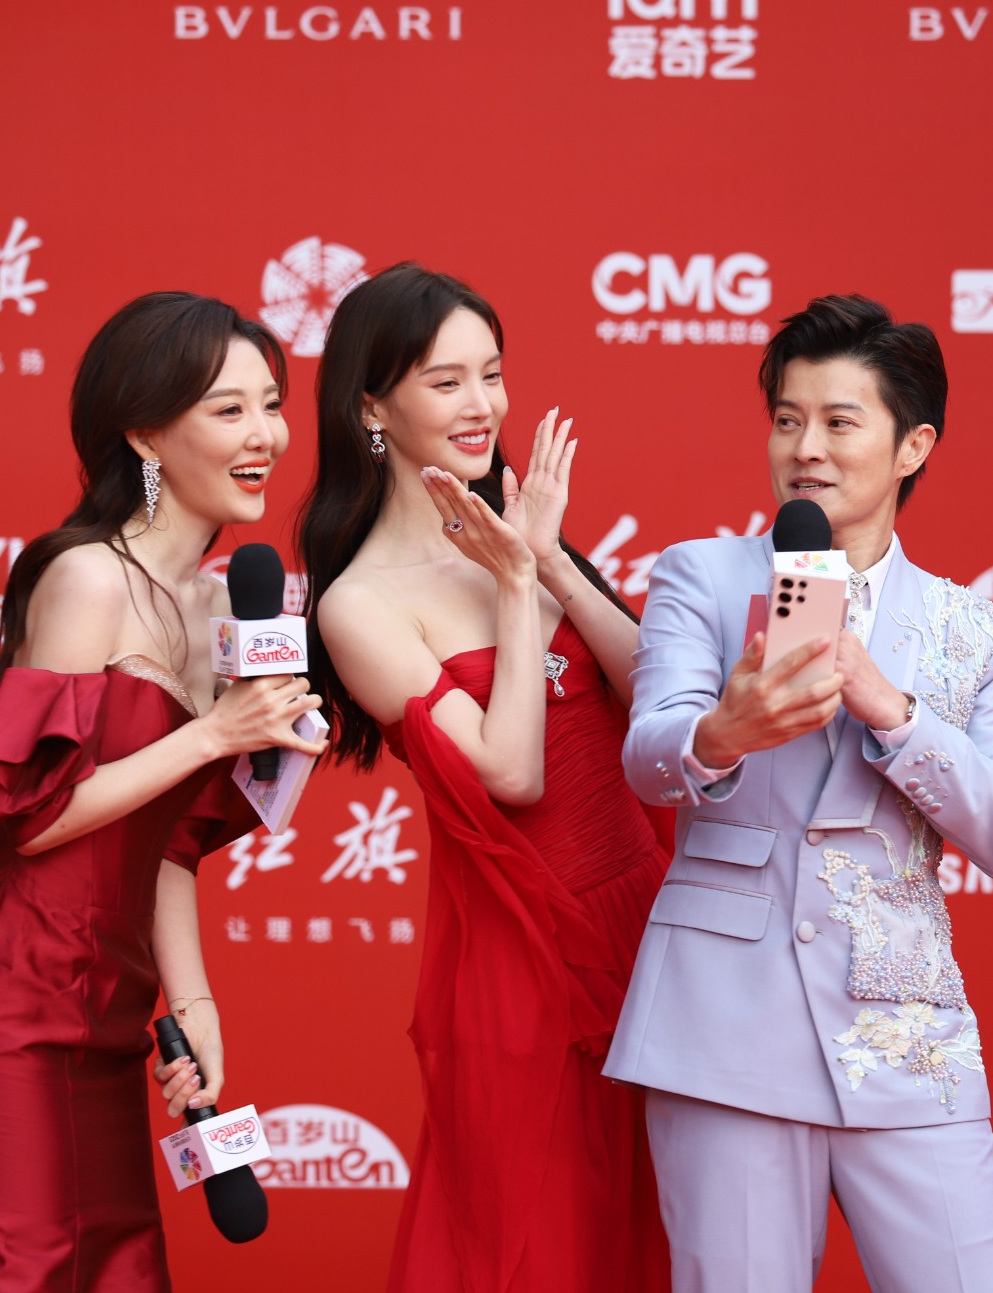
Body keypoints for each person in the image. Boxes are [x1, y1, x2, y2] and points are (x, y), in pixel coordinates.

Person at [604, 294, 993, 1292]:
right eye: (787, 419)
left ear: (911, 446)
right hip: (723, 1031)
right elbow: (649, 754)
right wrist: (726, 728)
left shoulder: (968, 626)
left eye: (839, 422)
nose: (805, 448)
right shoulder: (702, 577)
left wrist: (894, 713)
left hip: (905, 1037)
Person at [0, 292, 325, 1292]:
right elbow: (32, 812)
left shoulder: (221, 608)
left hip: (113, 1002)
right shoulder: (86, 578)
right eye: (227, 410)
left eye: (270, 405)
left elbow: (168, 842)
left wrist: (194, 1003)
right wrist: (215, 733)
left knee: (117, 1271)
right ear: (144, 433)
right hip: (11, 997)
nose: (264, 435)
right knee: (27, 1270)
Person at [298, 264, 670, 1291]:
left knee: (663, 1235)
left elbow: (659, 699)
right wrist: (514, 584)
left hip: (651, 924)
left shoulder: (524, 532)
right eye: (446, 381)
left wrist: (549, 564)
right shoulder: (359, 603)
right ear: (371, 408)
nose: (482, 405)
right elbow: (511, 771)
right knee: (542, 1243)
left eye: (492, 375)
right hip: (523, 956)